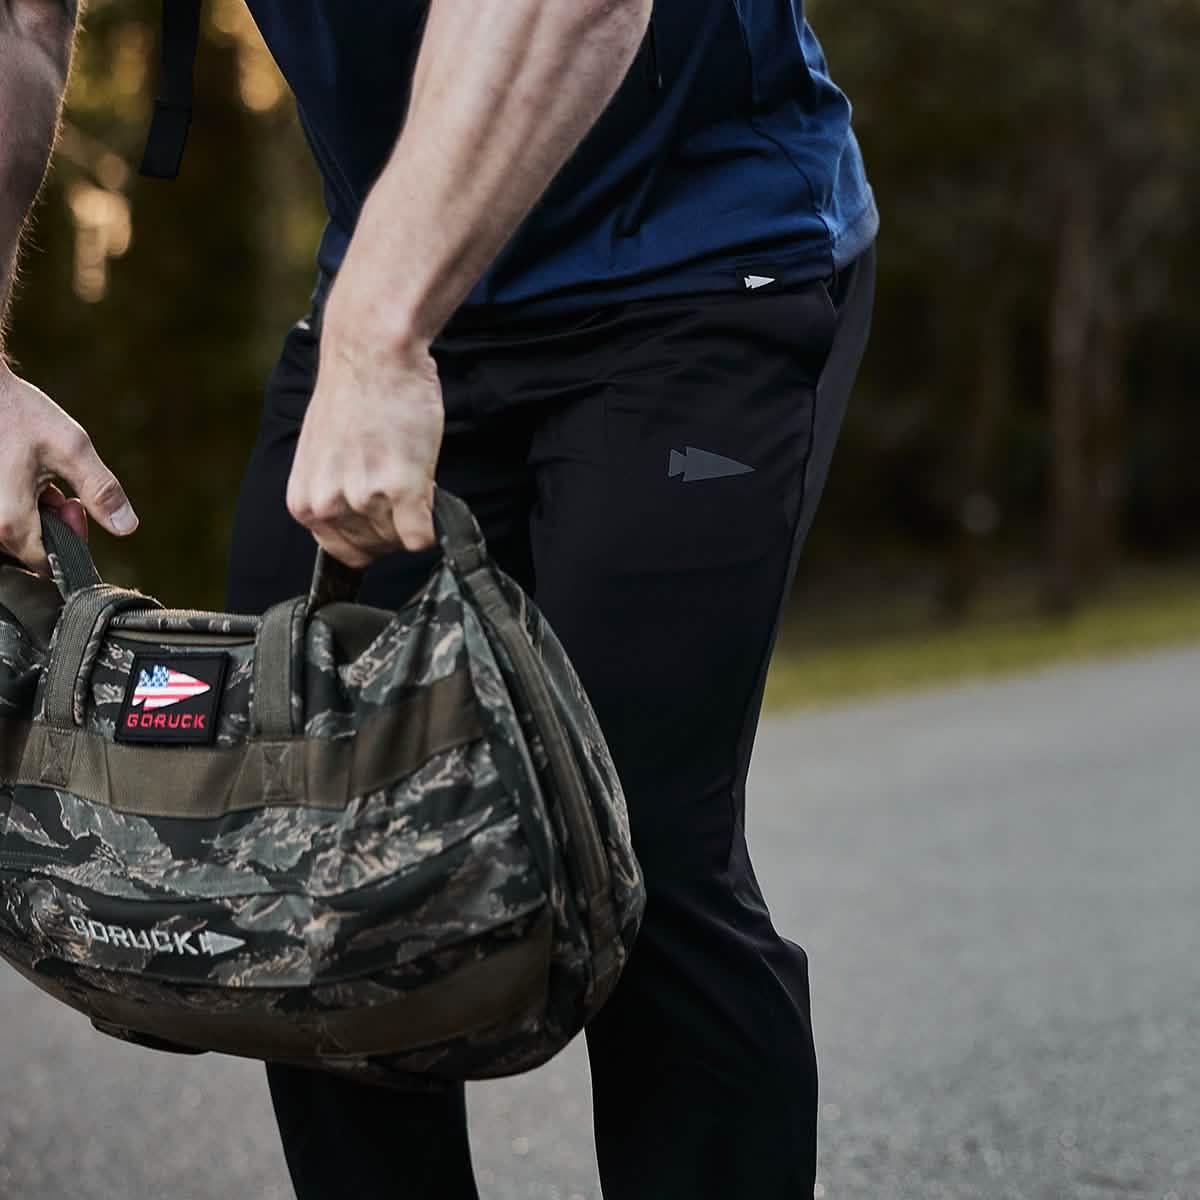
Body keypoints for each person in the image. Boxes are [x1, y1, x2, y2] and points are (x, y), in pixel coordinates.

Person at [0, 1, 877, 1196]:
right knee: (301, 839)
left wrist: (376, 341)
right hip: (396, 276)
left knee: (643, 842)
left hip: (699, 261)